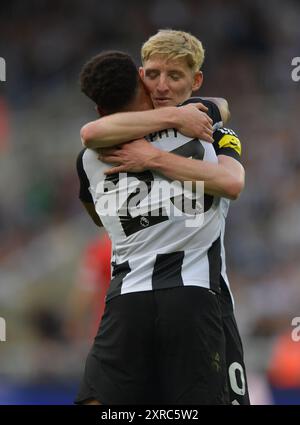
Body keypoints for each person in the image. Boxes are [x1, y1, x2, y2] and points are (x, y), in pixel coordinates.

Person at [80, 30, 249, 405]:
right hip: (135, 298)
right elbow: (90, 133)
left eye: (174, 76)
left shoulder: (212, 132)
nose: (161, 86)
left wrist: (152, 160)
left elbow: (232, 181)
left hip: (196, 295)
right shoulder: (100, 144)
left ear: (195, 81)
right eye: (153, 75)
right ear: (140, 76)